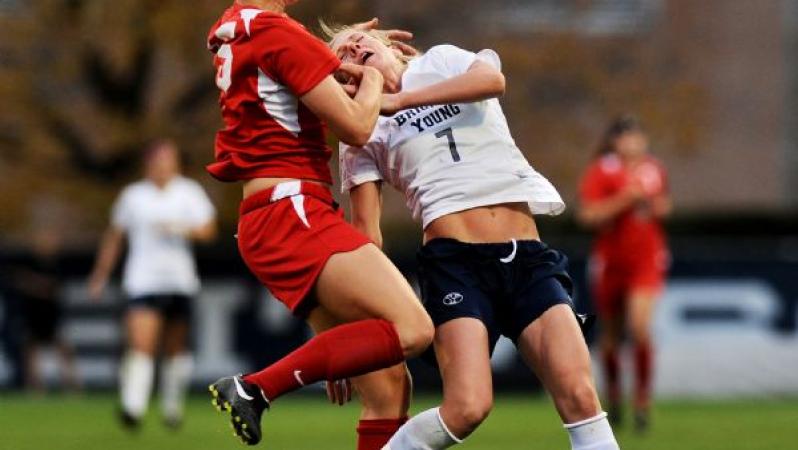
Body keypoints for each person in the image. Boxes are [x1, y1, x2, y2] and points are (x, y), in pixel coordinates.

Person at [327, 25, 619, 450]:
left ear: (389, 44)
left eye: (359, 41)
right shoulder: (361, 131)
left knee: (580, 396)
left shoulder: (441, 59)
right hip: (455, 265)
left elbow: (493, 81)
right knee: (467, 408)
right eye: (343, 56)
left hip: (528, 259)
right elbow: (367, 238)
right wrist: (349, 334)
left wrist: (399, 99)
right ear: (343, 83)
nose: (354, 49)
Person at [204, 1, 434, 446]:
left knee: (388, 390)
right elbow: (356, 127)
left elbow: (287, 72)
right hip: (292, 210)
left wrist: (334, 354)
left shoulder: (241, 31)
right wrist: (369, 75)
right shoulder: (275, 33)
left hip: (278, 215)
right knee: (416, 329)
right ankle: (256, 388)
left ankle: (277, 379)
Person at [87, 140, 218, 429]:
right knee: (141, 344)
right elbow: (115, 237)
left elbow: (209, 231)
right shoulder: (133, 196)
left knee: (175, 348)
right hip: (143, 280)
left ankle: (172, 407)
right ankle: (133, 406)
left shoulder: (188, 192)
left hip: (179, 281)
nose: (163, 166)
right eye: (158, 160)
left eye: (168, 160)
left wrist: (181, 228)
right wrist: (99, 275)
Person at [577, 115, 672, 432]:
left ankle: (642, 402)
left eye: (637, 136)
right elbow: (589, 216)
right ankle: (615, 397)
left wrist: (655, 207)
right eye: (627, 137)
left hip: (646, 260)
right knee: (610, 338)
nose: (634, 143)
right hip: (611, 262)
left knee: (640, 327)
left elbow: (664, 205)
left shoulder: (652, 168)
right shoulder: (602, 171)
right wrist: (624, 200)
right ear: (614, 142)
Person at [15, 227, 79, 393]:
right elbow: (21, 280)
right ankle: (35, 386)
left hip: (52, 315)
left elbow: (55, 287)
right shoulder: (28, 261)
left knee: (63, 349)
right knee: (31, 351)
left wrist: (38, 285)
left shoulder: (58, 264)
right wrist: (38, 285)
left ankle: (71, 385)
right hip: (33, 314)